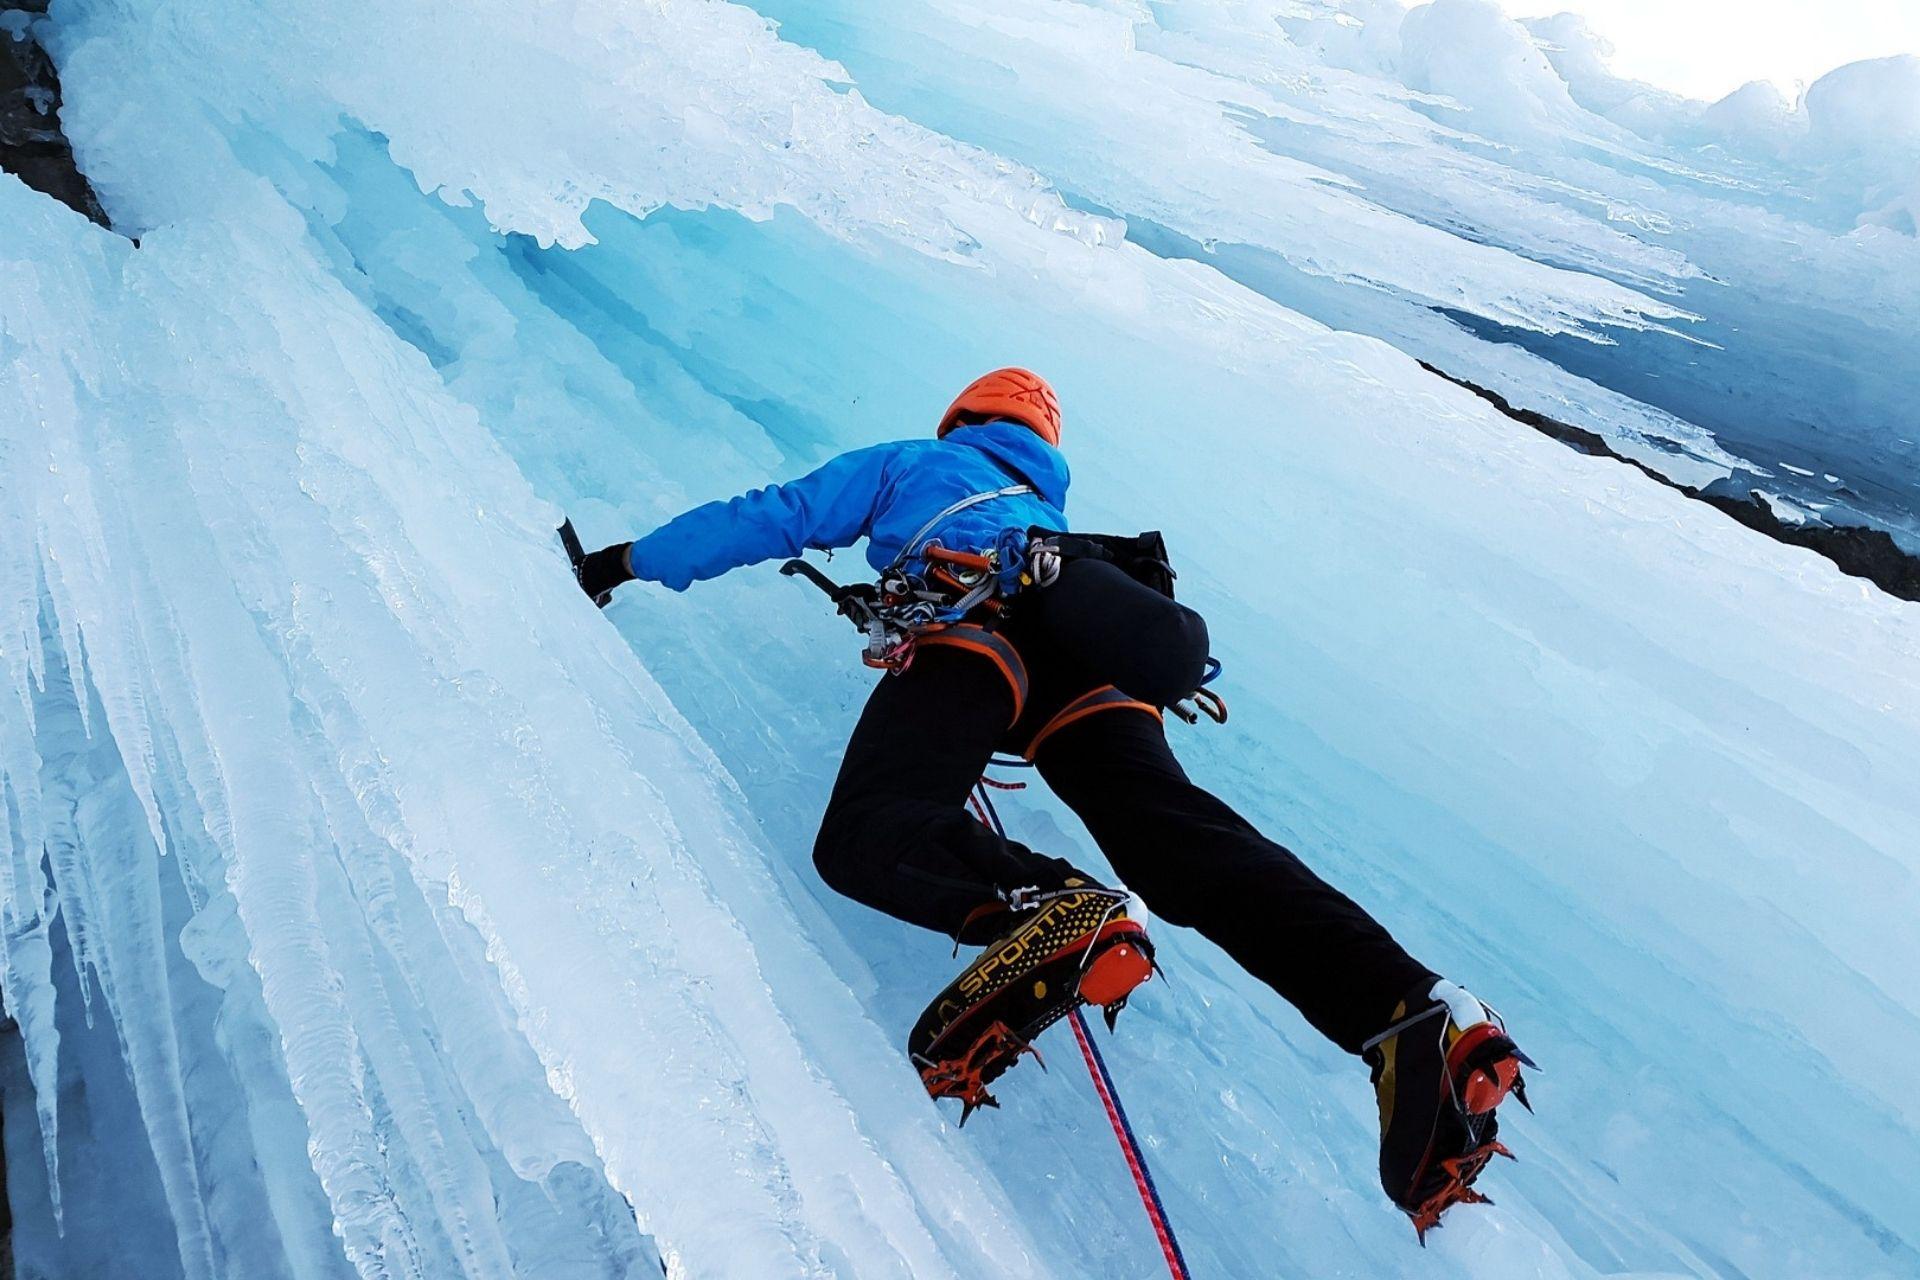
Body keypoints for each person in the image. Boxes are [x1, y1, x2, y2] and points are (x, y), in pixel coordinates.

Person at [571, 367, 1530, 1236]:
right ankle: (1412, 1009)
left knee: (871, 829)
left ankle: (1051, 904)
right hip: (1098, 668)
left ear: (962, 422)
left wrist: (622, 563)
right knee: (1178, 840)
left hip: (979, 634)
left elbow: (773, 513)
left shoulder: (918, 463)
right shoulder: (1055, 523)